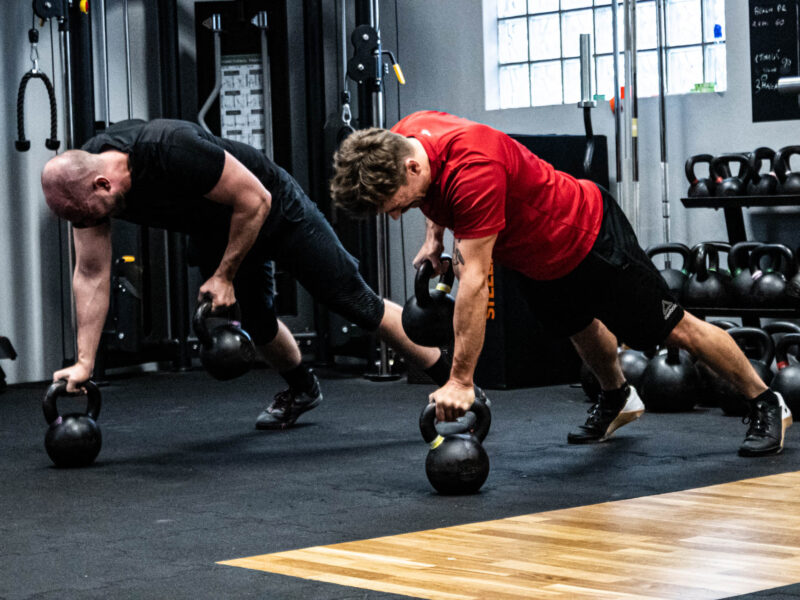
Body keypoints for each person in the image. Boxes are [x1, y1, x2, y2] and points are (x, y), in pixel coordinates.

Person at [330, 110, 793, 457]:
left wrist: (460, 380)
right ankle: (617, 396)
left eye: (397, 205)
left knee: (676, 329)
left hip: (588, 236)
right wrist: (434, 238)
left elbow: (473, 284)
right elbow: (433, 197)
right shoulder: (406, 136)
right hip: (537, 258)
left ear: (411, 168)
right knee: (577, 326)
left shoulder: (474, 171)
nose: (396, 215)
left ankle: (766, 401)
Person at [41, 118, 457, 430]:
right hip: (217, 228)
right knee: (258, 322)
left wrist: (224, 275)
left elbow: (255, 200)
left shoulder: (170, 147)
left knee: (354, 301)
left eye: (85, 216)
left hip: (275, 208)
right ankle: (302, 389)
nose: (85, 224)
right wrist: (84, 362)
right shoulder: (83, 187)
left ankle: (453, 380)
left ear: (103, 184)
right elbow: (91, 273)